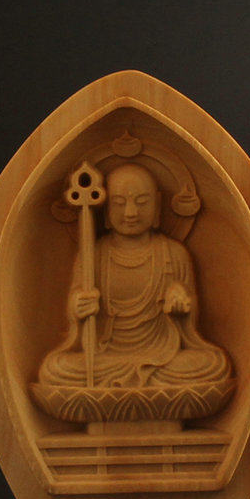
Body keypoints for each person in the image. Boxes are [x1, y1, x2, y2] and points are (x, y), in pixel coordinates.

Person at [38, 163, 231, 388]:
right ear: (107, 210)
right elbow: (76, 306)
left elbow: (190, 321)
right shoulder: (92, 255)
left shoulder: (174, 254)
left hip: (162, 356)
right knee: (54, 368)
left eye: (142, 202)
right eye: (120, 203)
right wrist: (78, 307)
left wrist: (181, 306)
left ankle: (119, 388)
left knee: (214, 364)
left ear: (157, 205)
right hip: (105, 356)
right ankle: (140, 386)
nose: (131, 212)